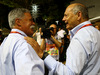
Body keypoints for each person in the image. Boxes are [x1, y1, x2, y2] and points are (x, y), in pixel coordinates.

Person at [24, 3, 100, 75]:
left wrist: (42, 54)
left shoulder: (80, 37)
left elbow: (69, 73)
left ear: (79, 15)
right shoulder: (96, 32)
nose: (63, 19)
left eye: (66, 15)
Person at [0, 8, 44, 75]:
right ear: (18, 22)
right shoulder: (24, 43)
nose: (33, 23)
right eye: (31, 20)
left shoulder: (5, 42)